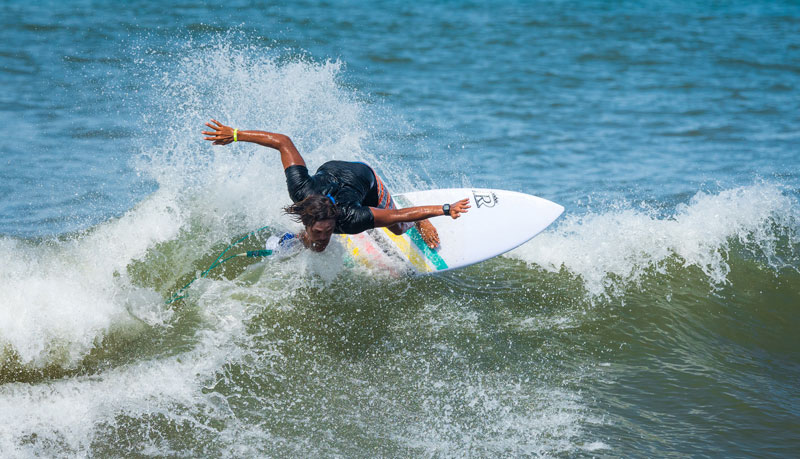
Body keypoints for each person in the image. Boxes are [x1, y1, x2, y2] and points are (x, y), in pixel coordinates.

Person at [202, 119, 470, 252]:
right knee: (310, 244)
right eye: (320, 231)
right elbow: (283, 142)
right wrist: (234, 135)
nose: (325, 237)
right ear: (307, 220)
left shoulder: (352, 218)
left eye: (329, 231)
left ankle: (419, 225)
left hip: (365, 178)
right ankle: (292, 241)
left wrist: (445, 209)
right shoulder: (301, 191)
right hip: (331, 172)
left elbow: (400, 215)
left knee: (397, 227)